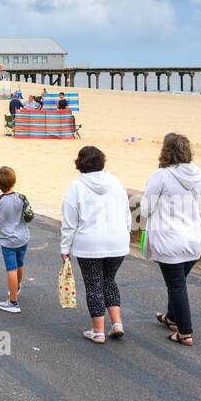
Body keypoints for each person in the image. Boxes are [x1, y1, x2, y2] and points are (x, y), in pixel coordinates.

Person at [139, 133, 201, 347]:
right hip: (193, 238)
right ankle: (172, 318)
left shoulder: (161, 176)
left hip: (169, 240)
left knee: (176, 285)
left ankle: (185, 332)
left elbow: (146, 208)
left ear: (165, 151)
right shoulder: (197, 175)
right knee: (178, 282)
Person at [60, 146, 130, 344]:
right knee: (109, 280)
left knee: (94, 285)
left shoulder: (76, 187)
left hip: (90, 244)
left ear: (80, 164)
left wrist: (65, 249)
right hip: (117, 241)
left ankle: (98, 331)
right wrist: (124, 233)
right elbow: (127, 213)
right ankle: (117, 323)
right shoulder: (116, 182)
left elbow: (69, 222)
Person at [0, 167, 33, 313]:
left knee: (11, 269)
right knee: (19, 264)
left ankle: (13, 302)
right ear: (14, 181)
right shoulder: (22, 198)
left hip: (7, 240)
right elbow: (29, 216)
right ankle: (17, 287)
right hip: (23, 237)